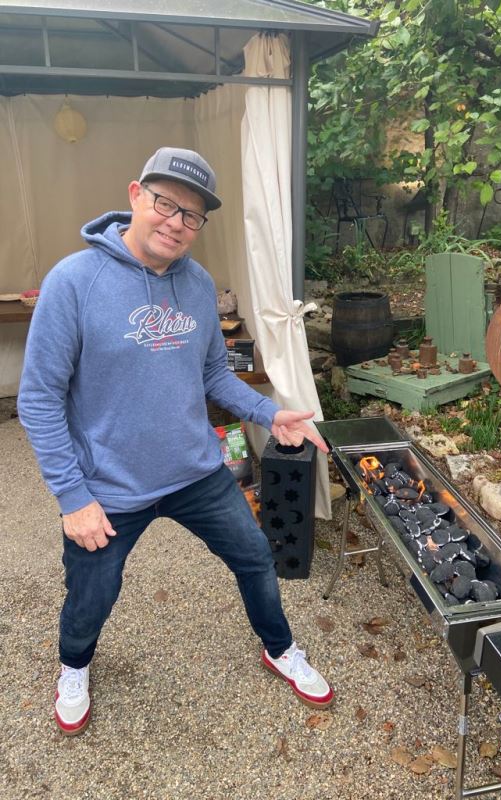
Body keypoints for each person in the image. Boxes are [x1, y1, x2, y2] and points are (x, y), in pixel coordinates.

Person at [18, 146, 334, 736]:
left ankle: (280, 648)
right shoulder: (74, 281)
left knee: (254, 557)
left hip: (196, 473)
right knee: (92, 592)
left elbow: (212, 372)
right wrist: (72, 497)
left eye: (192, 215)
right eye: (166, 204)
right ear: (135, 196)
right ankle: (74, 666)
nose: (176, 222)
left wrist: (269, 413)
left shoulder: (197, 283)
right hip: (109, 487)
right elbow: (38, 400)